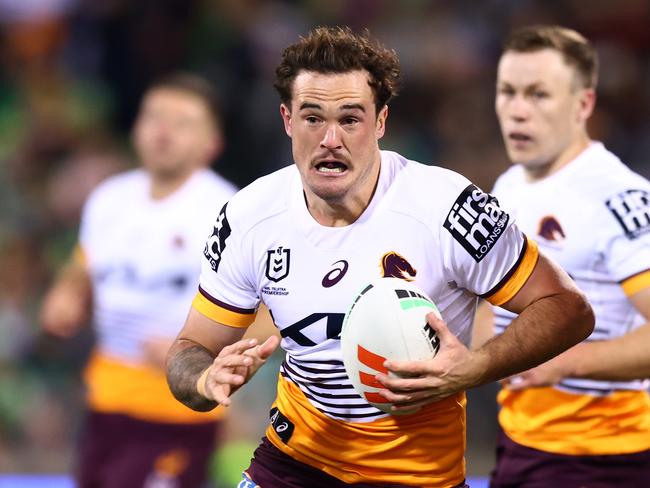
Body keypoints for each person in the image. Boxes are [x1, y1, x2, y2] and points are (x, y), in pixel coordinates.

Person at [165, 27, 594, 488]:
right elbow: (189, 349)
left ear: (381, 122)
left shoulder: (447, 208)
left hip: (416, 474)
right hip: (294, 462)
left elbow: (568, 308)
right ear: (287, 120)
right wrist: (206, 380)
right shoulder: (248, 217)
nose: (331, 138)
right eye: (313, 118)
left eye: (350, 119)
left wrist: (476, 367)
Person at [41, 73, 248, 487]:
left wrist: (196, 353)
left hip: (175, 406)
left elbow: (261, 309)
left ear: (212, 143)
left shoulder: (228, 210)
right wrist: (65, 296)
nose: (163, 131)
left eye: (182, 122)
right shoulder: (108, 198)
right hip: (106, 395)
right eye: (154, 116)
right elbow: (84, 265)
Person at [482, 25, 650, 487]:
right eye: (507, 91)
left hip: (602, 457)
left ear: (584, 105)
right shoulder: (509, 185)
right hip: (520, 440)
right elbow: (488, 306)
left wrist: (560, 362)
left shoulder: (620, 198)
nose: (517, 110)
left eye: (538, 94)